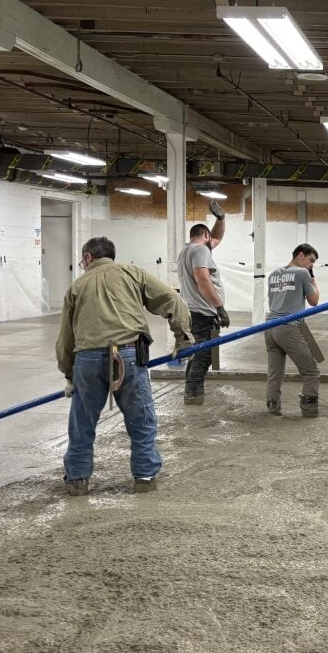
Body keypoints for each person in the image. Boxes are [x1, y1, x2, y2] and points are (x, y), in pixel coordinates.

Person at [56, 236, 192, 495]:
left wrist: (69, 374)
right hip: (128, 356)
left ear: (87, 258)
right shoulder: (132, 274)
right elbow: (172, 301)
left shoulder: (76, 286)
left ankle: (77, 479)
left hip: (87, 360)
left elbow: (65, 338)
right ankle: (144, 476)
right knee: (141, 420)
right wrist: (183, 338)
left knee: (82, 423)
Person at [177, 201, 227, 406]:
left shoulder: (188, 250)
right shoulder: (200, 251)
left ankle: (193, 390)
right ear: (204, 236)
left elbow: (215, 237)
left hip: (193, 310)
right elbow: (203, 280)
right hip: (203, 312)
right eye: (210, 238)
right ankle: (192, 393)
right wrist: (220, 308)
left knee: (197, 352)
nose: (214, 242)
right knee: (204, 355)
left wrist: (221, 220)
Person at [266, 243, 321, 417]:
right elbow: (314, 301)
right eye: (311, 260)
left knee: (275, 374)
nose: (311, 265)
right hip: (288, 327)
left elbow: (272, 301)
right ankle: (309, 410)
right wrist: (313, 280)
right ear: (300, 255)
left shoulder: (273, 274)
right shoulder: (302, 273)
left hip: (269, 327)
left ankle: (273, 408)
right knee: (311, 371)